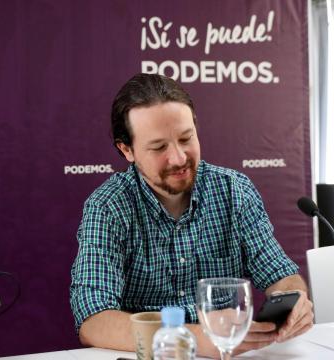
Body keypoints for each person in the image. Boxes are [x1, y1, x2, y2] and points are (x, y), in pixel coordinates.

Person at [69, 73, 314, 358]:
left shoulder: (234, 190)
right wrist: (193, 337)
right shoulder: (108, 207)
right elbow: (93, 320)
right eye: (159, 147)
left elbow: (280, 275)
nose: (179, 157)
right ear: (127, 150)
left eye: (186, 138)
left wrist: (295, 301)